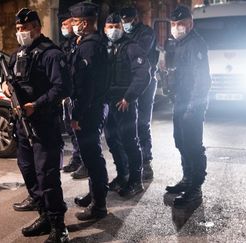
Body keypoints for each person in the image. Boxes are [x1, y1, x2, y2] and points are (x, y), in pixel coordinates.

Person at [1, 8, 70, 242]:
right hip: (22, 124)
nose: (21, 33)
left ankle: (58, 226)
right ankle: (43, 215)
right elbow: (8, 78)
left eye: (25, 28)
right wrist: (4, 86)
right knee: (28, 171)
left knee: (47, 177)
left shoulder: (51, 54)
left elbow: (61, 88)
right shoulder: (18, 55)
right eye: (18, 29)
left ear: (37, 28)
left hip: (44, 124)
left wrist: (36, 105)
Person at [164, 5, 211, 207]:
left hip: (193, 103)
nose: (177, 27)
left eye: (181, 24)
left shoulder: (196, 44)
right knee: (180, 141)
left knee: (193, 146)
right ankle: (187, 178)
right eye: (174, 24)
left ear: (190, 24)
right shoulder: (177, 44)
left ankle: (195, 188)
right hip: (181, 101)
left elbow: (202, 80)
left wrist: (192, 107)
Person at [68, 2, 109, 221]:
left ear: (84, 23)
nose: (72, 25)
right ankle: (95, 195)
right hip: (93, 108)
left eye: (74, 22)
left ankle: (99, 206)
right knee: (90, 156)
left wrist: (77, 116)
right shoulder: (89, 44)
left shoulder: (89, 48)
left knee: (92, 158)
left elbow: (86, 88)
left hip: (89, 111)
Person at [103, 13, 151, 197]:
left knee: (130, 142)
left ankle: (135, 181)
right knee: (112, 141)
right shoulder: (106, 47)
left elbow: (142, 75)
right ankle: (122, 175)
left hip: (124, 102)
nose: (113, 29)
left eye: (117, 25)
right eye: (110, 26)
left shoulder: (131, 47)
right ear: (104, 29)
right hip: (108, 102)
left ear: (122, 27)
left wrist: (128, 98)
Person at [121, 6, 159, 181]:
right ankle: (131, 162)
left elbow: (139, 51)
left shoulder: (146, 33)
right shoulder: (122, 33)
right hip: (128, 83)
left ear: (135, 19)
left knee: (142, 122)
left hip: (145, 81)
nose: (124, 24)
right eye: (122, 21)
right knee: (127, 124)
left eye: (127, 20)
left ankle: (146, 161)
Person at [58, 11, 88, 180]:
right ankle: (77, 158)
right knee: (70, 128)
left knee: (79, 129)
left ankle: (84, 161)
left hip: (78, 93)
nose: (65, 27)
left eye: (67, 24)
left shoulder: (81, 43)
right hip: (68, 92)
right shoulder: (66, 44)